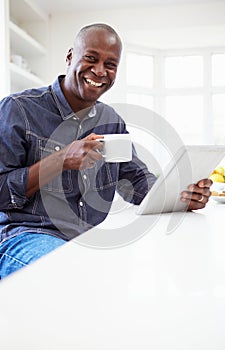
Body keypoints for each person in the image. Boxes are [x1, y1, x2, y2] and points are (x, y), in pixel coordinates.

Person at [0, 23, 212, 279]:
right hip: (26, 236)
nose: (99, 71)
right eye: (91, 58)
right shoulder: (18, 109)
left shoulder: (111, 121)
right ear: (70, 56)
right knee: (66, 278)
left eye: (110, 65)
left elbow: (137, 181)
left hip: (88, 239)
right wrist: (60, 160)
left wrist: (180, 196)